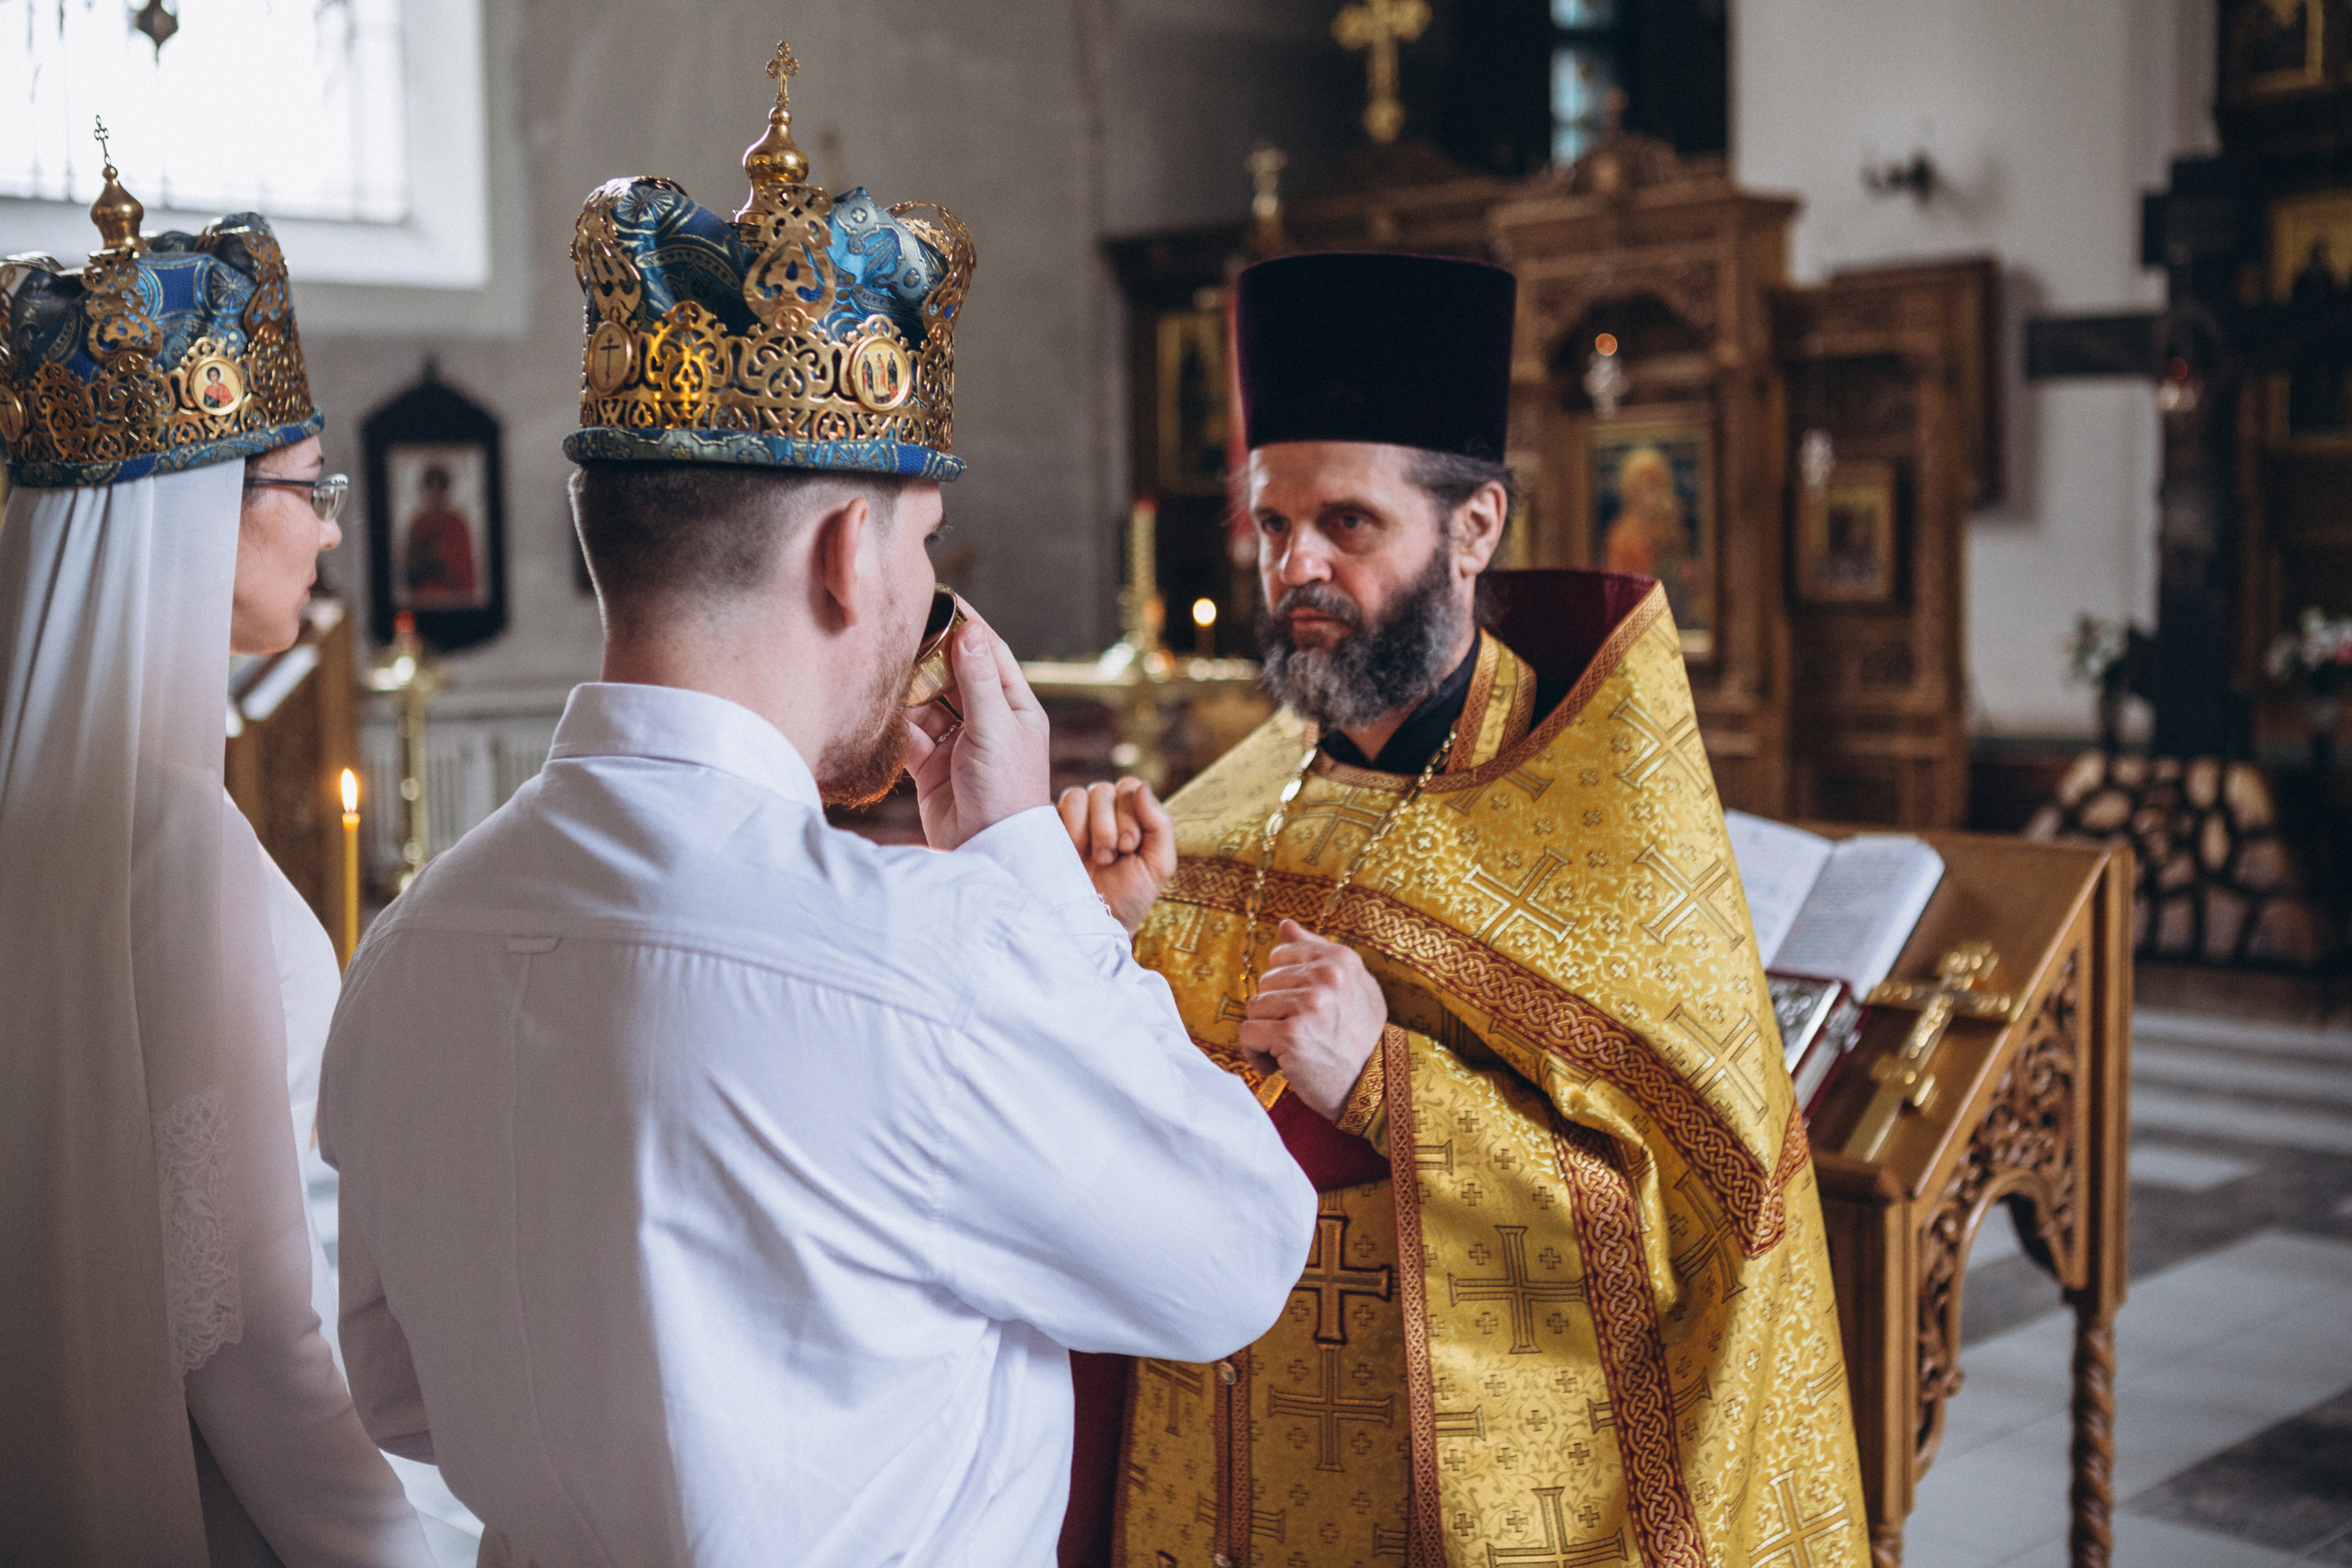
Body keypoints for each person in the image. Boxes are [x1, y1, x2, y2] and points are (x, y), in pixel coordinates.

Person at [320, 42, 1313, 1568]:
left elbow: (400, 1392)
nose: (927, 590)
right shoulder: (930, 959)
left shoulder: (406, 948)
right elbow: (1233, 1252)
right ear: (853, 555)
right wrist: (1017, 880)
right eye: (927, 545)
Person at [1059, 250, 1870, 1566]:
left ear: (1477, 527)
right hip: (1202, 1494)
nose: (1295, 566)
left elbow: (1700, 1232)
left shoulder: (1610, 832)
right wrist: (1101, 939)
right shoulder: (1220, 808)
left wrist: (1390, 1085)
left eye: (1348, 524)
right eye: (1272, 524)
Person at [0, 163, 433, 1563]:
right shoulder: (169, 835)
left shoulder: (55, 801)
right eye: (309, 488)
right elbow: (223, 1322)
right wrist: (395, 1541)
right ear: (196, 508)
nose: (325, 529)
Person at [400, 465, 478, 606]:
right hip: (422, 604)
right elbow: (409, 572)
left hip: (454, 604)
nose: (435, 497)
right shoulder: (418, 523)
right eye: (431, 490)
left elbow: (464, 572)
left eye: (439, 491)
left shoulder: (457, 524)